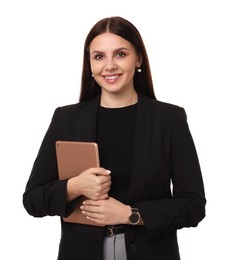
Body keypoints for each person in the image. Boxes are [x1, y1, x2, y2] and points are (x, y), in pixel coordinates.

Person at [23, 16, 206, 260]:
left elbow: (193, 206)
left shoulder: (169, 119)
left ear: (138, 58)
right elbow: (33, 200)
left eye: (120, 54)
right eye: (99, 56)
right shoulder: (66, 119)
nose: (109, 66)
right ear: (89, 63)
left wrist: (130, 214)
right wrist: (73, 186)